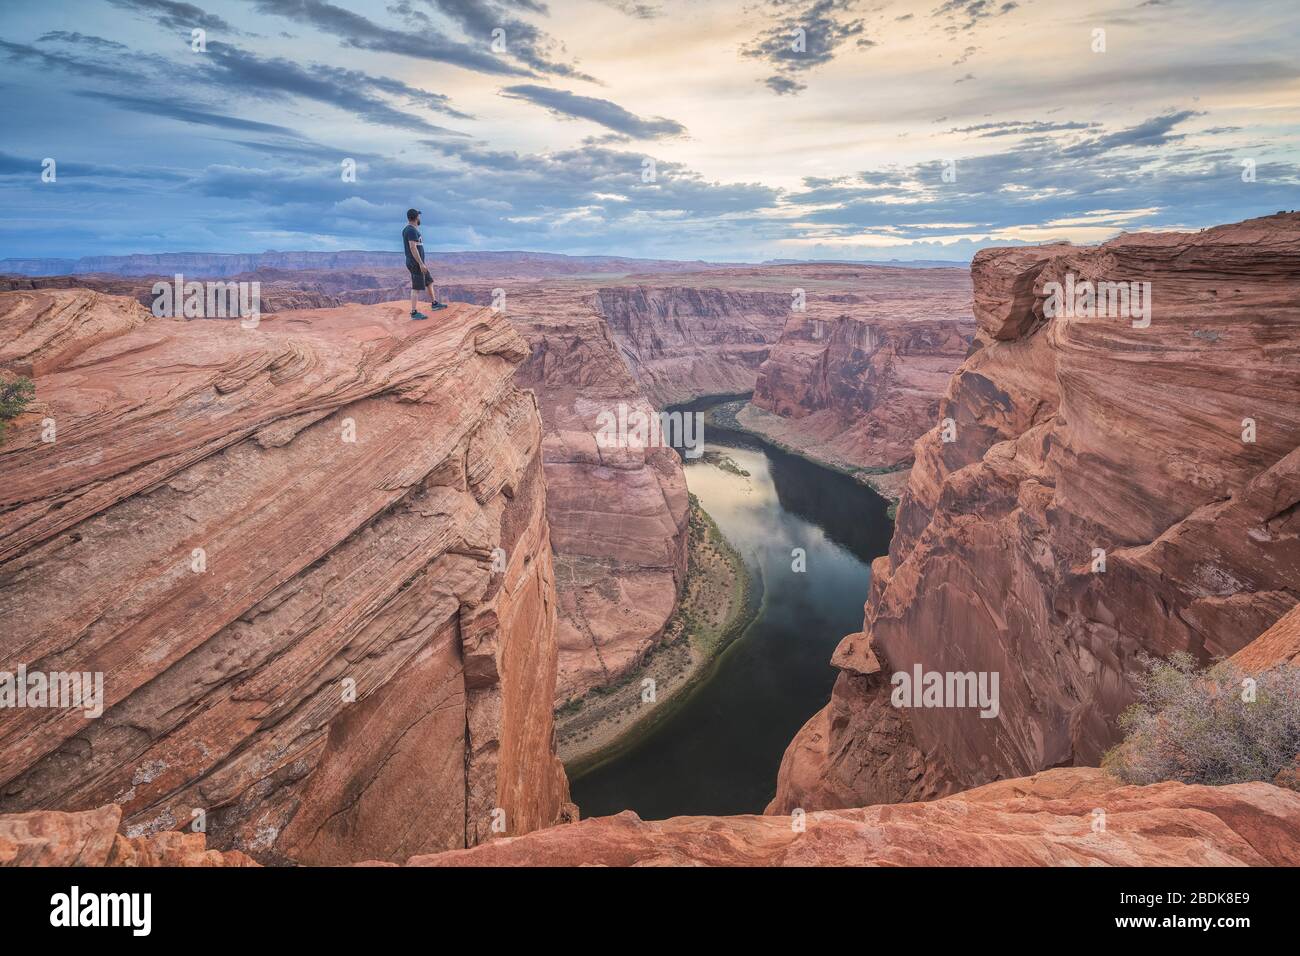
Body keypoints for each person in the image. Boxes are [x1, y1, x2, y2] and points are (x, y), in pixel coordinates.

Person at [402, 209, 446, 320]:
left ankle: (434, 303)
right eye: (418, 216)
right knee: (416, 287)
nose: (419, 218)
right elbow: (413, 247)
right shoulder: (411, 230)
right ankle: (414, 312)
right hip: (416, 263)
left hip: (419, 263)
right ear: (416, 217)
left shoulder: (410, 229)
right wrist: (420, 263)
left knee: (429, 281)